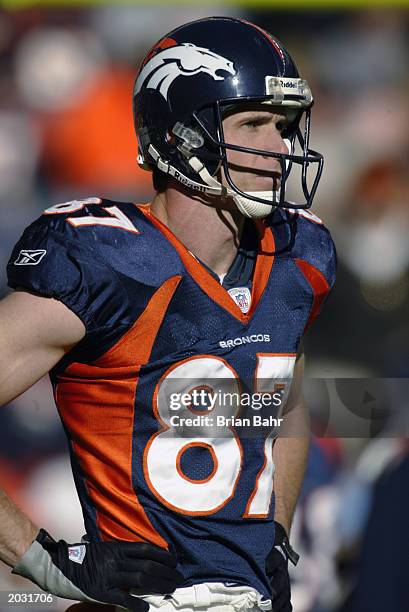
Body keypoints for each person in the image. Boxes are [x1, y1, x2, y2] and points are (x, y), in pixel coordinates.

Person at [0, 17, 336, 612]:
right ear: (183, 135)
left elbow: (283, 402)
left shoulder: (296, 256)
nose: (281, 146)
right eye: (254, 123)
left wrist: (275, 536)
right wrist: (40, 560)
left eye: (283, 126)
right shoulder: (107, 261)